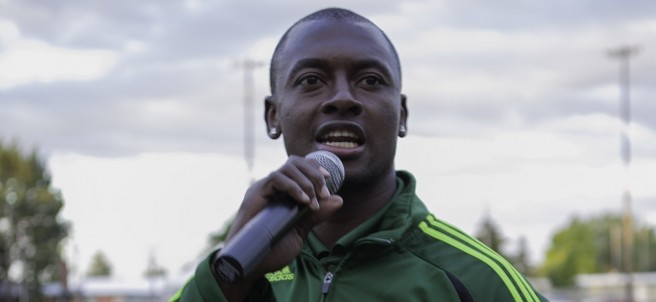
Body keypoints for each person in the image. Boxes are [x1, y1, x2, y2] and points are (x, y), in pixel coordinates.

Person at [171, 7, 548, 302]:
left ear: (401, 115)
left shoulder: (475, 278)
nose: (342, 98)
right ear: (274, 116)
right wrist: (232, 277)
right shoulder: (235, 268)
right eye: (311, 81)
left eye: (369, 80)